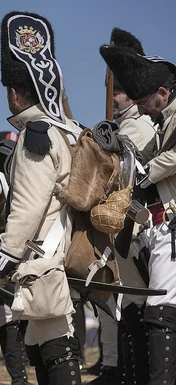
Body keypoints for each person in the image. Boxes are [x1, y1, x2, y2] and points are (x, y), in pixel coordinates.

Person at [0, 11, 84, 385]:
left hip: (42, 253)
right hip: (66, 250)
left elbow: (28, 206)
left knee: (55, 345)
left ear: (14, 92)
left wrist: (3, 259)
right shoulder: (68, 129)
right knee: (47, 338)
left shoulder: (35, 134)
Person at [100, 42, 176, 385]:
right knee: (157, 312)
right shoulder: (163, 123)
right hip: (162, 226)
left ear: (162, 92)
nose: (143, 109)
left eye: (146, 101)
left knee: (161, 312)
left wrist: (148, 170)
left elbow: (163, 161)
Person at [90, 27, 157, 385]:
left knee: (141, 320)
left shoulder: (143, 129)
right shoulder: (121, 128)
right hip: (120, 239)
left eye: (117, 90)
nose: (113, 97)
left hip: (141, 236)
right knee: (125, 317)